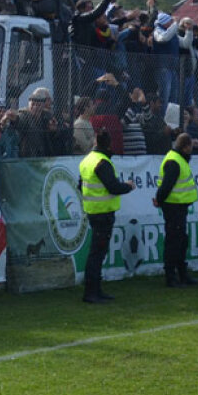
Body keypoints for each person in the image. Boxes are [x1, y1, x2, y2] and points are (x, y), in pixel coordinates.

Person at [78, 129, 134, 303]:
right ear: (109, 144)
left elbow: (80, 185)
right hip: (103, 213)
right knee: (97, 254)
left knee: (97, 252)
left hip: (93, 211)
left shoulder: (86, 161)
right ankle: (91, 293)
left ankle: (95, 290)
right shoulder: (103, 162)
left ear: (95, 141)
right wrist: (128, 186)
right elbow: (113, 187)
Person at [154, 132, 198, 288]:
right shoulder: (175, 162)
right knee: (174, 241)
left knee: (180, 241)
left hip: (178, 206)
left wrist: (160, 199)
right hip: (174, 207)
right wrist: (159, 199)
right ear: (186, 147)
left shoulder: (177, 159)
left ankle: (181, 274)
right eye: (191, 147)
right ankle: (171, 276)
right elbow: (166, 185)